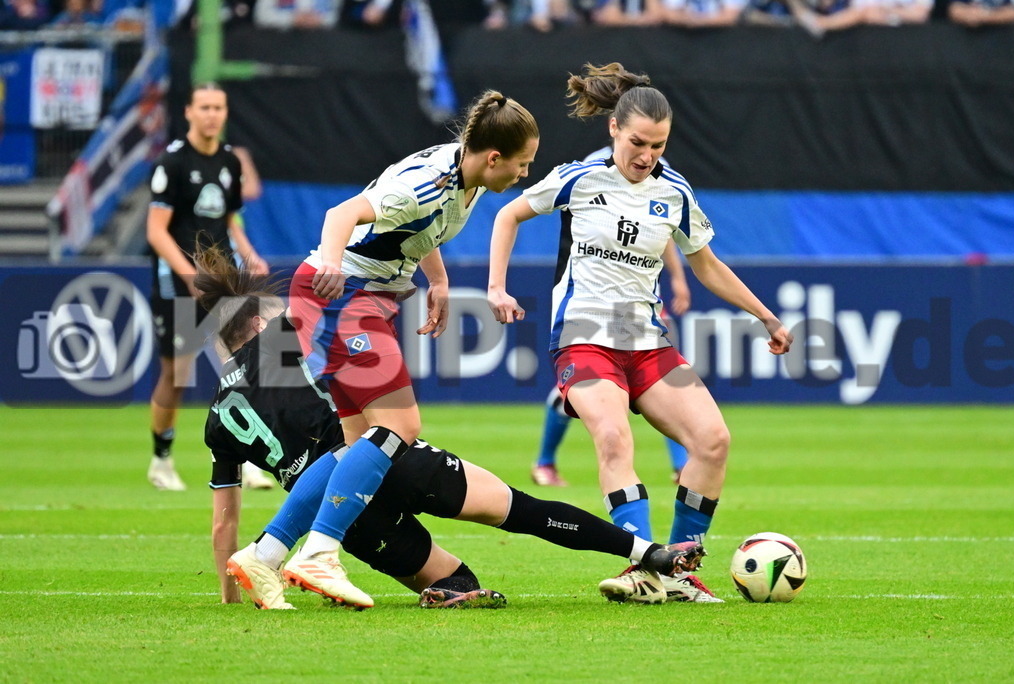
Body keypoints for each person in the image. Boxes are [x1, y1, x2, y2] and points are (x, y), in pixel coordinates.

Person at [191, 247, 709, 609]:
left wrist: (230, 596)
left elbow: (222, 526)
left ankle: (273, 559)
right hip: (378, 459)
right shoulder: (277, 342)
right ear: (257, 324)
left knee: (461, 583)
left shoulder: (217, 420)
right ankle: (648, 554)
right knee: (521, 512)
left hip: (350, 520)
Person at [487, 62, 792, 603]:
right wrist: (496, 287)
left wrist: (764, 315)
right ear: (613, 130)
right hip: (583, 338)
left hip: (646, 343)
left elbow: (707, 264)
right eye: (637, 142)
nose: (646, 156)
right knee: (612, 436)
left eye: (657, 145)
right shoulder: (578, 178)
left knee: (713, 441)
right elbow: (507, 215)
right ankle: (641, 564)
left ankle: (677, 572)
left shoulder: (674, 192)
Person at [278, 90, 541, 605]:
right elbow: (341, 213)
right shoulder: (423, 184)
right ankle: (319, 554)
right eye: (522, 164)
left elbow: (422, 233)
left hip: (360, 295)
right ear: (493, 158)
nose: (524, 174)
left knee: (357, 445)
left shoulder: (467, 177)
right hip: (339, 292)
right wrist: (332, 262)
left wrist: (437, 281)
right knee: (400, 426)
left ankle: (265, 555)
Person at [146, 82, 270, 492]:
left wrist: (250, 254)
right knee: (177, 375)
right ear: (189, 112)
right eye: (204, 107)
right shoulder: (173, 162)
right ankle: (161, 459)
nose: (211, 114)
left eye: (218, 107)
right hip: (178, 284)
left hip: (223, 280)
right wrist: (188, 275)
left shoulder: (230, 161)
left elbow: (230, 220)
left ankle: (250, 459)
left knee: (246, 367)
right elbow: (156, 231)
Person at [532, 241, 691, 487]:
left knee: (668, 380)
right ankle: (545, 462)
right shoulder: (593, 209)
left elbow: (665, 231)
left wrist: (678, 277)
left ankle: (682, 467)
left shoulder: (656, 208)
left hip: (644, 304)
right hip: (598, 305)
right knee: (576, 390)